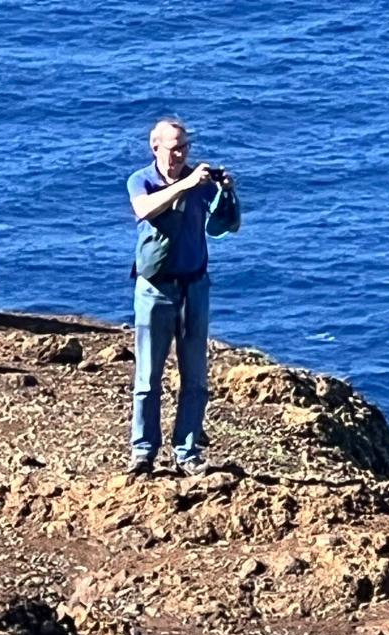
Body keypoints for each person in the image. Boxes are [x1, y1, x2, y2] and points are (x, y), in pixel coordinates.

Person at [126, 118, 240, 477]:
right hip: (155, 289)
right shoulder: (141, 179)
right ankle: (143, 451)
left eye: (184, 147)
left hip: (194, 287)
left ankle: (186, 451)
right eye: (173, 147)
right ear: (155, 147)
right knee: (148, 377)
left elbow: (228, 225)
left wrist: (226, 194)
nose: (179, 154)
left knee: (195, 376)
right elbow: (144, 210)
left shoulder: (198, 182)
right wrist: (186, 185)